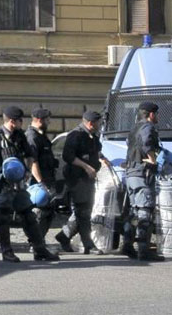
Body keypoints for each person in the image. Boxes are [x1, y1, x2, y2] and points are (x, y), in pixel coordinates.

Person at [0, 106, 59, 263]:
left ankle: (39, 250)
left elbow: (30, 155)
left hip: (19, 183)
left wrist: (27, 171)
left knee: (28, 215)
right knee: (2, 216)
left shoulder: (20, 136)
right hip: (4, 183)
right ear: (12, 121)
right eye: (19, 120)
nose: (21, 123)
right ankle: (6, 252)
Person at [55, 110, 112, 255]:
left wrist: (102, 159)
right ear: (91, 123)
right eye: (98, 123)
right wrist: (86, 167)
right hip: (77, 178)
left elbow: (96, 151)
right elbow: (68, 156)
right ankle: (88, 245)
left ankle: (64, 236)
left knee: (83, 211)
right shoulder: (76, 135)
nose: (100, 125)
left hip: (88, 179)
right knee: (83, 212)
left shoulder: (92, 135)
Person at [121, 100, 164, 261]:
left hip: (131, 173)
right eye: (156, 114)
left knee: (133, 211)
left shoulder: (134, 128)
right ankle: (143, 250)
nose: (157, 117)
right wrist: (152, 159)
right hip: (142, 174)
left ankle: (127, 245)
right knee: (145, 211)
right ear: (151, 114)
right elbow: (146, 143)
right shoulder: (147, 127)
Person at [25, 107, 59, 249]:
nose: (49, 122)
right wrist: (41, 183)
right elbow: (33, 162)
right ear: (39, 120)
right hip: (38, 182)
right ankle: (36, 243)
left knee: (49, 211)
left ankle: (39, 241)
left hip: (47, 179)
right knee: (40, 212)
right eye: (47, 119)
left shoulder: (41, 135)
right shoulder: (32, 137)